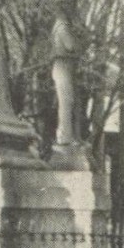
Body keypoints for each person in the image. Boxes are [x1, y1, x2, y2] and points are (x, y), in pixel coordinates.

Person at [49, 9, 78, 147]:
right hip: (62, 65)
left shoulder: (58, 26)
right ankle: (64, 136)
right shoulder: (62, 27)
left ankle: (65, 134)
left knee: (66, 101)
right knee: (66, 101)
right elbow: (70, 45)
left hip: (61, 65)